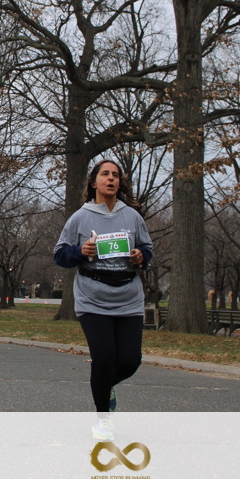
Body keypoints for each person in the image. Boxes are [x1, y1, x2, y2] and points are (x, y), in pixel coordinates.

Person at [53, 159, 152, 442]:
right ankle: (103, 420)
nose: (111, 179)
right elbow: (60, 255)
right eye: (105, 174)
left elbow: (147, 248)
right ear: (93, 182)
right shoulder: (80, 217)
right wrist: (80, 251)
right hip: (92, 297)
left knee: (130, 361)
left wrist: (141, 256)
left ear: (120, 183)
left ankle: (104, 384)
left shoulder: (132, 216)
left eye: (115, 175)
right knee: (105, 357)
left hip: (128, 298)